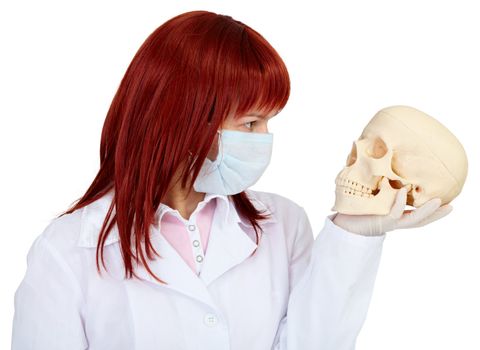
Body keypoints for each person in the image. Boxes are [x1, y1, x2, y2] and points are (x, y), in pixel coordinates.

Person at [11, 10, 452, 350]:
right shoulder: (68, 251)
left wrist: (353, 236)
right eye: (251, 124)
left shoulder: (282, 223)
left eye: (268, 123)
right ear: (180, 117)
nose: (264, 140)